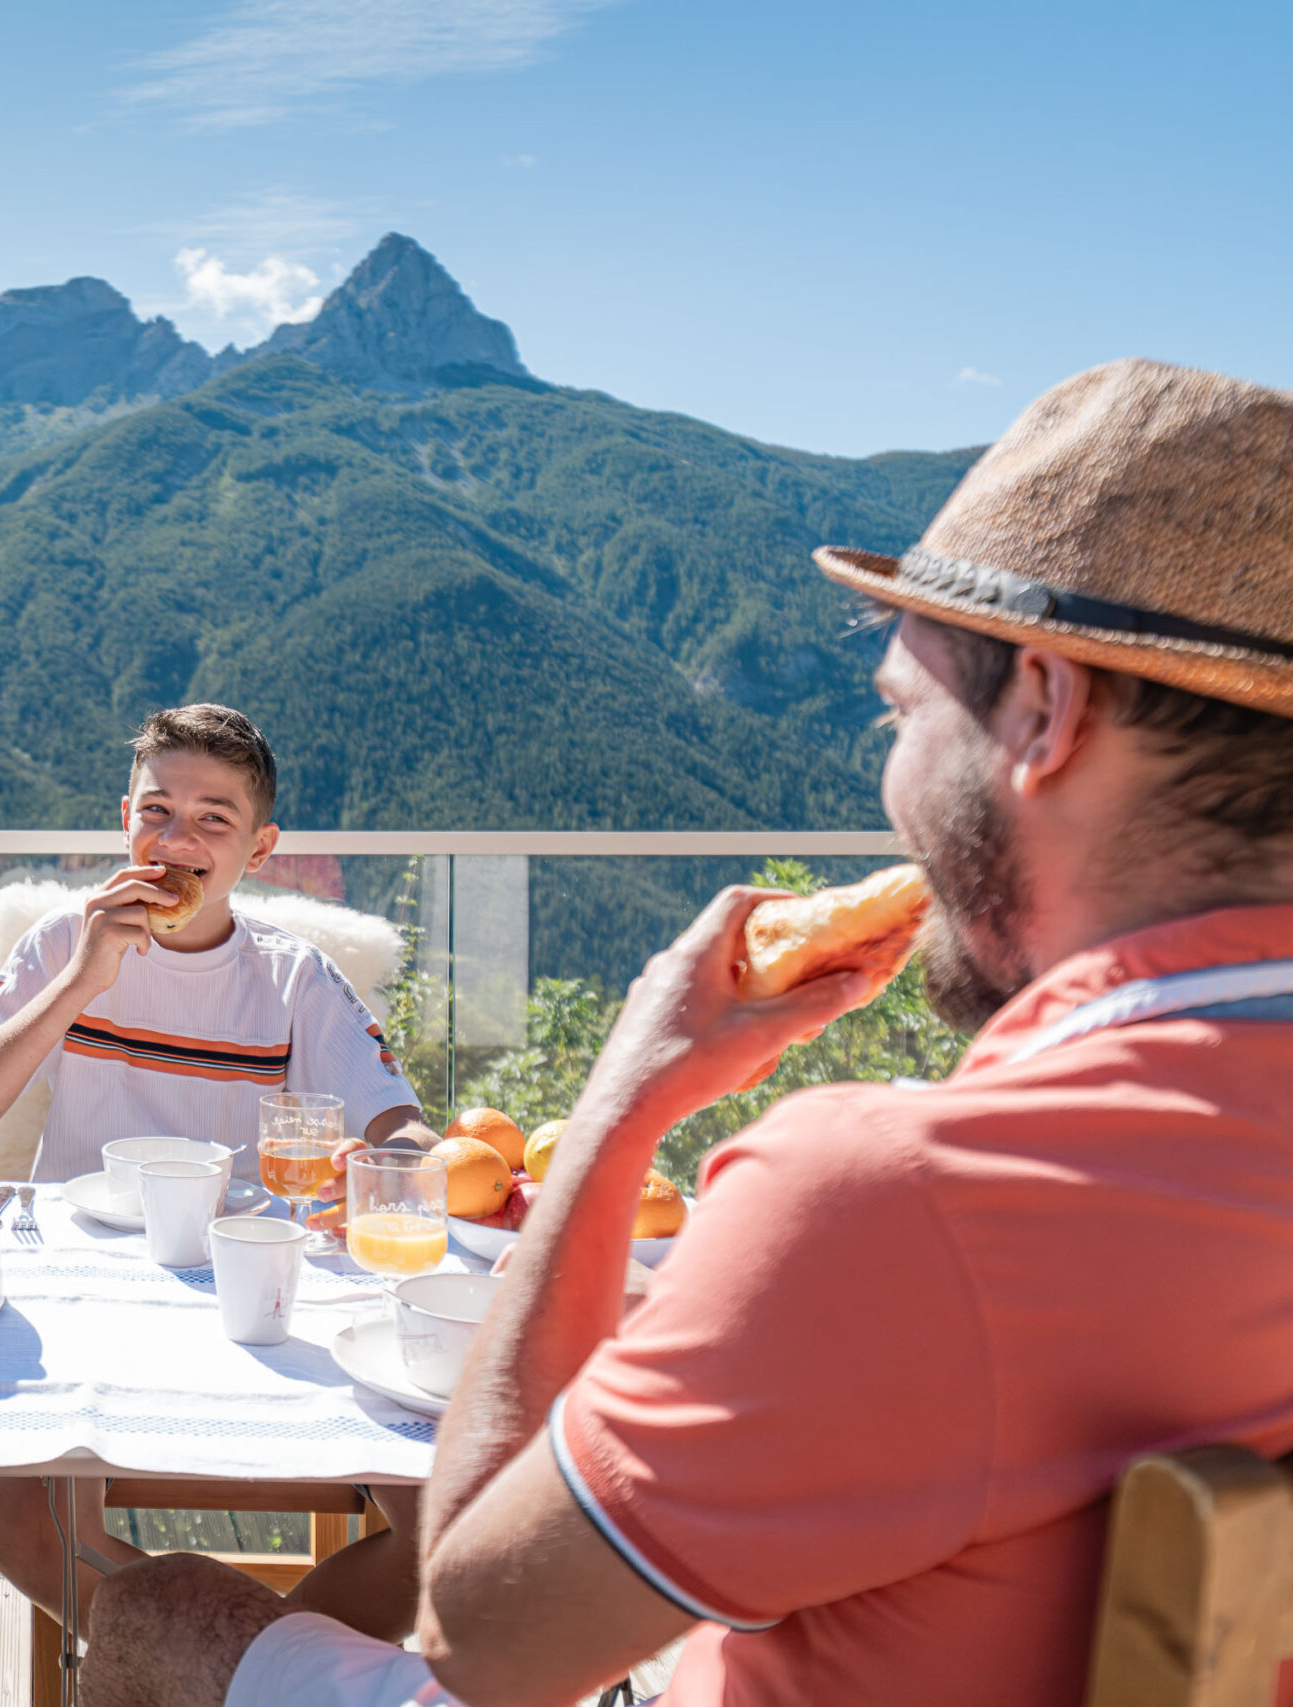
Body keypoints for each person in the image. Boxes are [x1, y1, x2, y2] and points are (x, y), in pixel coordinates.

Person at [82, 358, 1293, 1707]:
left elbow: (480, 1632)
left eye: (902, 713)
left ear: (1046, 714)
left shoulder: (902, 1195)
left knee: (157, 1607)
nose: (891, 774)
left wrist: (620, 1106)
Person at [0, 702, 445, 1645]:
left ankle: (226, 1677)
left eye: (214, 818)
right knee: (20, 1524)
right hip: (88, 1291)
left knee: (442, 1541)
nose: (176, 839)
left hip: (255, 1295)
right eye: (156, 811)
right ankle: (256, 1680)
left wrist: (380, 1172)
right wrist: (80, 982)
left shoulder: (293, 978)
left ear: (260, 848)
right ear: (123, 819)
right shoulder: (61, 942)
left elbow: (406, 1131)